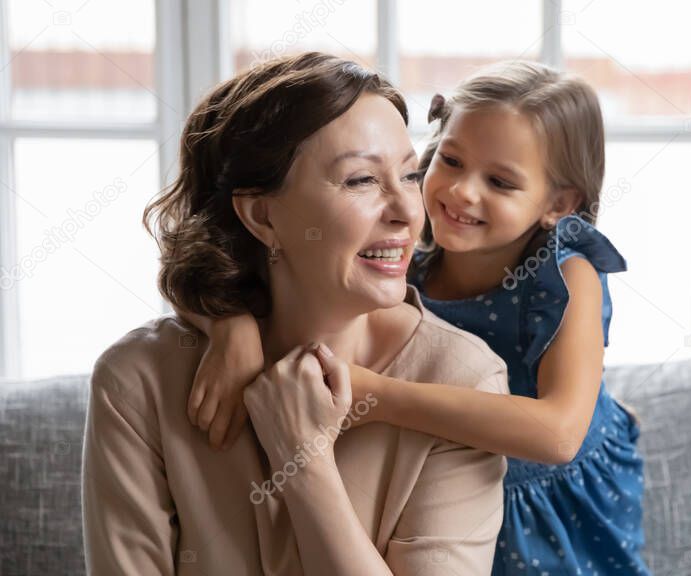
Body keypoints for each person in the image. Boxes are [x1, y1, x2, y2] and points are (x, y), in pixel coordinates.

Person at [181, 61, 650, 575]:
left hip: (551, 501)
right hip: (453, 486)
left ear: (559, 204)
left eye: (499, 181)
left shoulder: (566, 272)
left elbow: (559, 435)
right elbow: (210, 262)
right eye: (449, 160)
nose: (462, 191)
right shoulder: (405, 262)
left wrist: (372, 393)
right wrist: (231, 327)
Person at [82, 52, 508, 575]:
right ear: (262, 214)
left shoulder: (462, 380)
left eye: (410, 174)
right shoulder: (138, 383)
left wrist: (303, 459)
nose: (406, 211)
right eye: (360, 181)